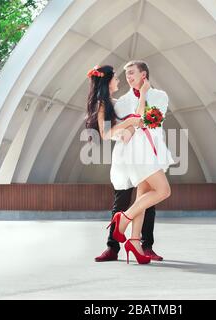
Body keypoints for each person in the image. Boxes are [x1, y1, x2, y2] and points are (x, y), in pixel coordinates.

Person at [85, 62, 175, 264]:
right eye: (123, 75)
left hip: (151, 150)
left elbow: (152, 121)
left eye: (131, 73)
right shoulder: (120, 102)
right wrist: (128, 129)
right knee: (125, 198)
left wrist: (132, 126)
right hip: (130, 153)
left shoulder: (160, 96)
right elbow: (115, 131)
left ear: (144, 74)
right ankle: (113, 245)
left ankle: (141, 243)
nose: (126, 78)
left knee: (146, 197)